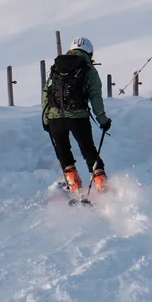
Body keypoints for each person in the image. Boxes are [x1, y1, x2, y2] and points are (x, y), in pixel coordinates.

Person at [44, 37, 111, 194]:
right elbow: (95, 97)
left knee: (63, 150)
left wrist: (46, 117)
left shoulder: (56, 67)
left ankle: (74, 185)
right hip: (78, 118)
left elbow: (46, 92)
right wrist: (103, 120)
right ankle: (102, 185)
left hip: (55, 118)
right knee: (88, 150)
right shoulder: (88, 69)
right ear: (90, 52)